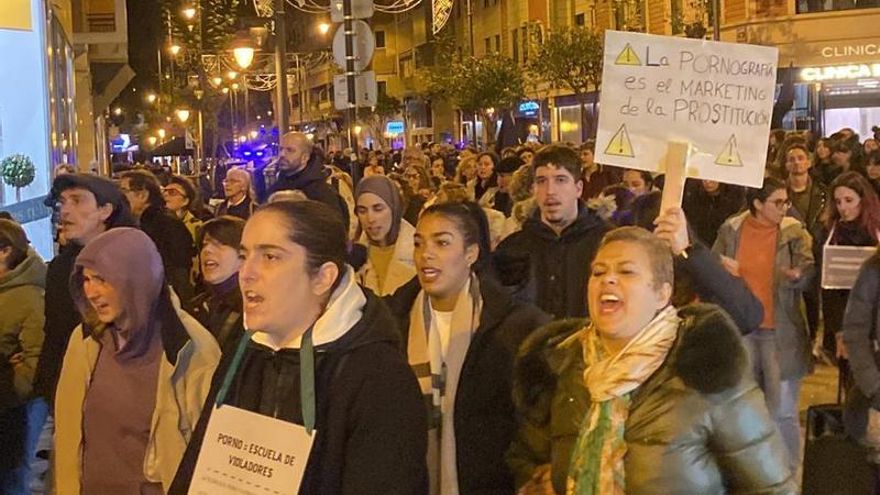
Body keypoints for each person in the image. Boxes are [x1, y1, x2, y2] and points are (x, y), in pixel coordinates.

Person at [170, 200, 428, 494]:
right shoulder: (244, 352)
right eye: (244, 256)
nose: (247, 273)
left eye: (270, 257)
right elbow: (198, 466)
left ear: (322, 277)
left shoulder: (380, 378)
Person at [507, 207, 768, 494]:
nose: (608, 279)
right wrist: (538, 480)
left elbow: (768, 485)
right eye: (598, 271)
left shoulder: (709, 374)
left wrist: (690, 252)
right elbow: (528, 456)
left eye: (627, 271)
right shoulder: (565, 364)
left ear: (662, 293)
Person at [385, 202, 549, 494]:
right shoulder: (393, 323)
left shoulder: (516, 327)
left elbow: (530, 426)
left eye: (442, 243)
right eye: (419, 243)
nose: (427, 255)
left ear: (471, 254)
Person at [54, 228, 220, 494]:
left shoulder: (191, 350)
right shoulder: (85, 341)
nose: (92, 292)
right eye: (86, 280)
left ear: (137, 279)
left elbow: (208, 454)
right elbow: (66, 434)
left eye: (102, 279)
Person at [713, 177, 815, 474]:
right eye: (778, 202)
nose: (785, 208)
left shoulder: (794, 233)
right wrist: (723, 267)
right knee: (745, 404)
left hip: (780, 330)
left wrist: (798, 276)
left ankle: (789, 474)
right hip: (742, 328)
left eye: (786, 202)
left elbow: (810, 271)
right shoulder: (731, 229)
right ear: (758, 204)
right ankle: (757, 471)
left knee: (783, 410)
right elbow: (715, 266)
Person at [34, 174, 136, 413]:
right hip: (65, 393)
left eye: (77, 201)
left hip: (120, 398)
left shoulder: (134, 262)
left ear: (105, 210)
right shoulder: (60, 267)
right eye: (63, 202)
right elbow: (55, 334)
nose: (65, 211)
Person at [495, 144, 609, 319]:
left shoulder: (607, 244)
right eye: (542, 181)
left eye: (560, 180)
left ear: (578, 188)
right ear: (534, 189)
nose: (550, 191)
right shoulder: (513, 248)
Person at [0, 220, 46, 493]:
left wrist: (9, 387)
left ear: (5, 251)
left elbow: (34, 358)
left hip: (13, 409)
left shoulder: (29, 295)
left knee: (13, 475)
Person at [815, 172, 880, 360]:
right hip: (843, 320)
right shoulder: (829, 234)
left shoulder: (876, 232)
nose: (843, 207)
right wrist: (838, 331)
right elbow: (828, 289)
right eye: (838, 201)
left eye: (849, 200)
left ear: (863, 200)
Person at [120, 170, 195, 304]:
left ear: (142, 195)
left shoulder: (166, 225)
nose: (120, 197)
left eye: (124, 191)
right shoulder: (136, 223)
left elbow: (177, 273)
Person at [783, 143, 827, 349]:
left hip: (815, 252)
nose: (797, 162)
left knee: (812, 298)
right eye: (792, 159)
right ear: (786, 165)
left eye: (800, 158)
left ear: (808, 162)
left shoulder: (823, 193)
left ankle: (811, 342)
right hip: (787, 252)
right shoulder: (779, 194)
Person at [269, 131, 351, 230]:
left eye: (290, 150)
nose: (282, 154)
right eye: (281, 149)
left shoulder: (323, 192)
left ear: (305, 157)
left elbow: (334, 232)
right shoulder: (275, 189)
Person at [189, 216, 246, 355]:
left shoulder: (249, 310)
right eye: (204, 245)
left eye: (218, 244)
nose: (207, 250)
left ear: (243, 256)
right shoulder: (196, 306)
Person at [354, 176, 416, 297]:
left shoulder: (419, 252)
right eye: (362, 211)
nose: (370, 219)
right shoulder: (353, 259)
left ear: (394, 209)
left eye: (378, 209)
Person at [682, 179, 745, 246]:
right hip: (696, 245)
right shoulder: (692, 194)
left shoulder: (735, 198)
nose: (708, 182)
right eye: (704, 178)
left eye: (712, 179)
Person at [162, 175, 202, 242]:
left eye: (172, 192)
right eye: (164, 191)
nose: (165, 195)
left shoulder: (196, 227)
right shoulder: (158, 223)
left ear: (185, 201)